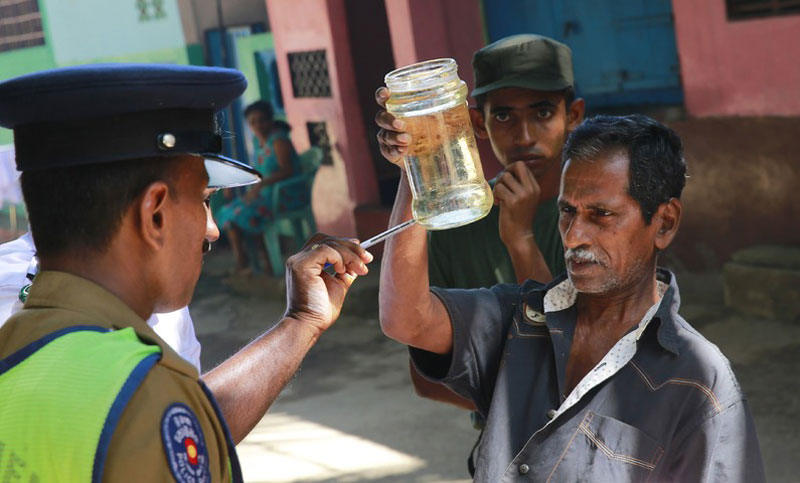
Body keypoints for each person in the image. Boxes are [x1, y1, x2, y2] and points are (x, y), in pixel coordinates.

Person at [0, 64, 372, 482]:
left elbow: (184, 426)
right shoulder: (141, 389)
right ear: (155, 214)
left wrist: (301, 322)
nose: (212, 229)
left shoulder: (17, 345)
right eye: (202, 200)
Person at [378, 114, 765, 481]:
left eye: (601, 214)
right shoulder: (516, 318)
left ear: (663, 223)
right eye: (567, 211)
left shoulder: (699, 383)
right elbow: (404, 318)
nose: (574, 235)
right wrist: (414, 174)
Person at [376, 35, 585, 414]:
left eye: (542, 113)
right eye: (504, 116)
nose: (524, 136)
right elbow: (427, 379)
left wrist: (521, 240)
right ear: (477, 122)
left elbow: (575, 361)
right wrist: (413, 162)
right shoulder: (450, 220)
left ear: (573, 115)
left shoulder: (598, 215)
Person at [0, 231, 203, 370]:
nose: (211, 230)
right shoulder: (8, 283)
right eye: (203, 200)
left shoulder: (167, 300)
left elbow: (186, 420)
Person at [215, 100, 305, 274]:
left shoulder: (278, 140)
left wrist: (261, 185)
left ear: (270, 120)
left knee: (244, 213)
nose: (258, 125)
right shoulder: (258, 142)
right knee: (228, 212)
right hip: (266, 195)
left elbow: (287, 171)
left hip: (286, 194)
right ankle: (247, 261)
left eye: (261, 120)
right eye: (253, 122)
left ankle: (259, 262)